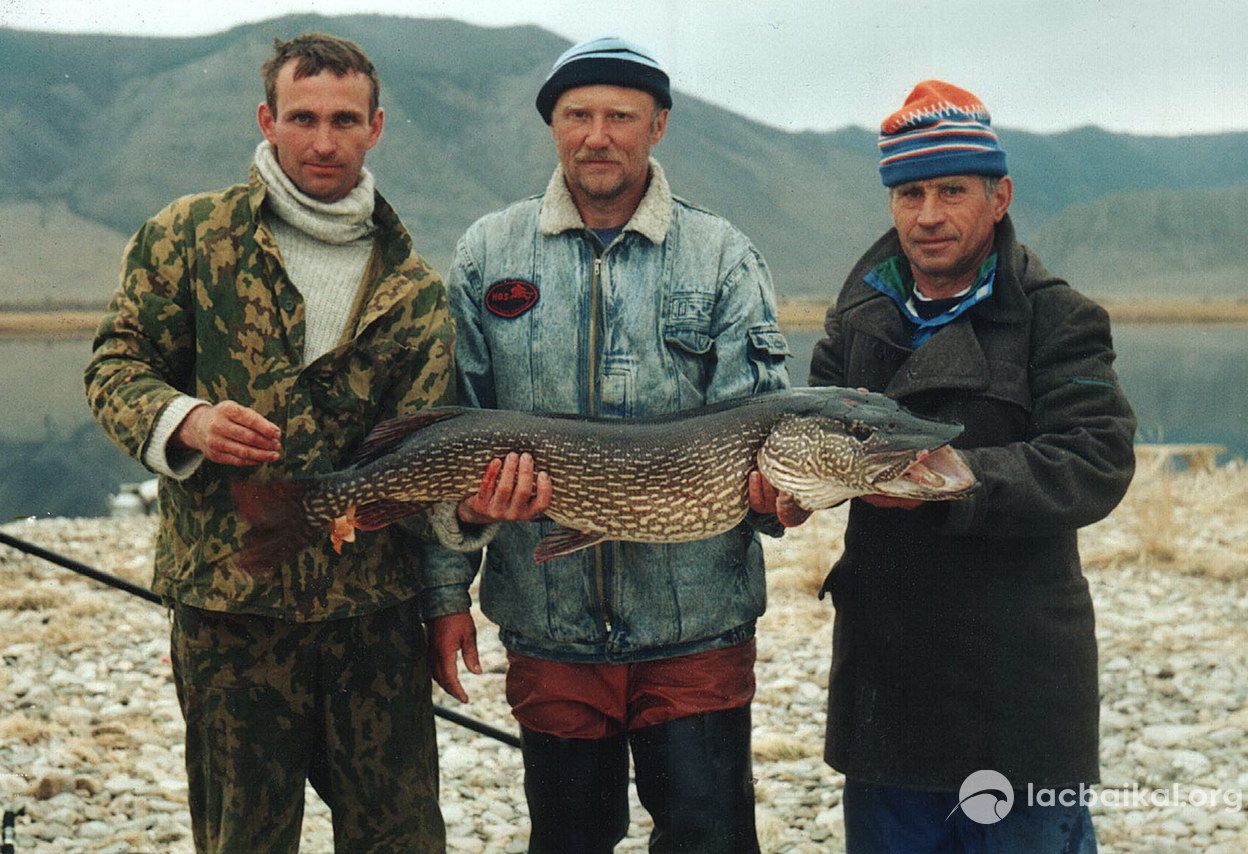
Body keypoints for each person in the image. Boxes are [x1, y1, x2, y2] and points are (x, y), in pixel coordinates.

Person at [421, 36, 803, 854]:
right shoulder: (489, 253)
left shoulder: (724, 256)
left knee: (710, 839)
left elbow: (769, 432)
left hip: (697, 626)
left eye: (620, 116)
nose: (598, 134)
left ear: (657, 126)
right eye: (578, 115)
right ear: (554, 128)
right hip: (548, 622)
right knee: (568, 840)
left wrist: (785, 498)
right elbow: (454, 427)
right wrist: (447, 592)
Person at [85, 33, 452, 853]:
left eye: (345, 120)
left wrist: (450, 585)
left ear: (376, 128)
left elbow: (425, 466)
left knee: (403, 841)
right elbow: (115, 366)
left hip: (372, 620)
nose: (324, 141)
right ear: (268, 120)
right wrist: (186, 420)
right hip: (228, 612)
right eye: (304, 117)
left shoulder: (416, 291)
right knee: (241, 841)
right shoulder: (188, 238)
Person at [809, 80, 1137, 853]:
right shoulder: (856, 318)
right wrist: (780, 495)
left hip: (1017, 687)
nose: (927, 215)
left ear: (999, 197)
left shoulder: (1060, 317)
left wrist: (953, 478)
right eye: (909, 192)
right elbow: (809, 441)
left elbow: (1096, 457)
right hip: (889, 686)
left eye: (951, 190)